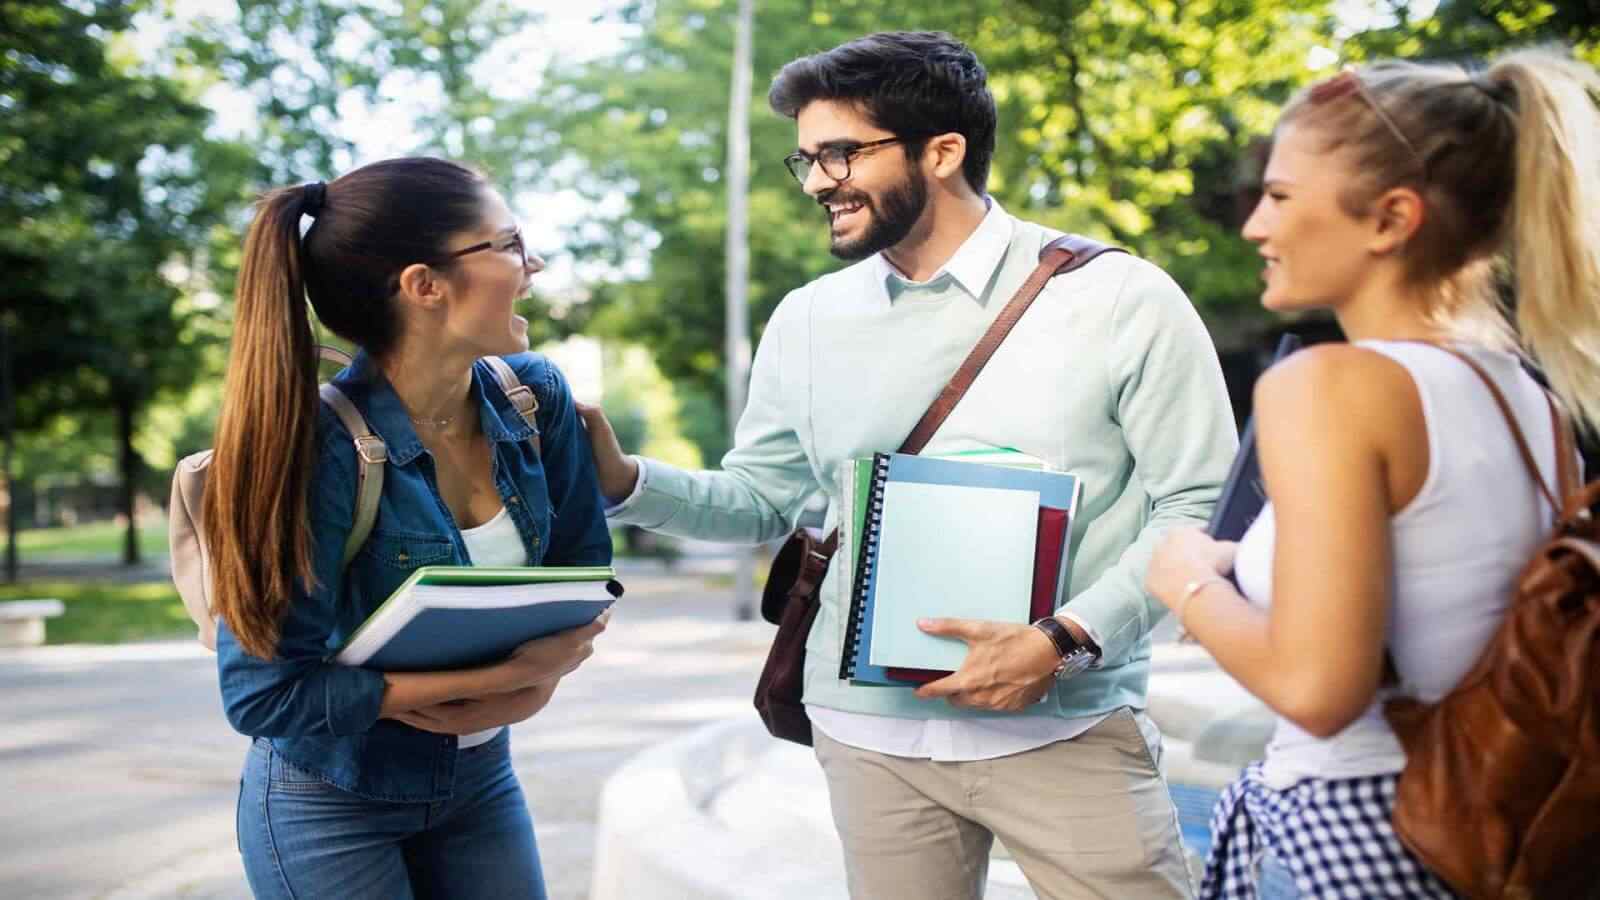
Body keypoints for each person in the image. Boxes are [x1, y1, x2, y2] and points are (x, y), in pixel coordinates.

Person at [581, 31, 1237, 900]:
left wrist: (1064, 644)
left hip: (1067, 730)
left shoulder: (1121, 298)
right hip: (869, 742)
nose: (817, 181)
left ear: (943, 151)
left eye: (842, 153)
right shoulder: (808, 319)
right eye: (808, 159)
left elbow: (1199, 502)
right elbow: (759, 500)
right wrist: (622, 478)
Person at [1145, 48, 1600, 899]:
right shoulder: (1527, 395)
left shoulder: (1327, 386)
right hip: (1484, 827)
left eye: (1279, 197)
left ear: (1390, 219)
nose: (1255, 227)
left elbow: (1319, 691)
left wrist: (1182, 580)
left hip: (1351, 831)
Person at [204, 156, 614, 899]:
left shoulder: (537, 398)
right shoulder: (316, 449)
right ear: (425, 286)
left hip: (481, 780)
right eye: (510, 243)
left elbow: (584, 580)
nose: (535, 263)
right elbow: (261, 696)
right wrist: (500, 679)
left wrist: (535, 683)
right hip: (329, 799)